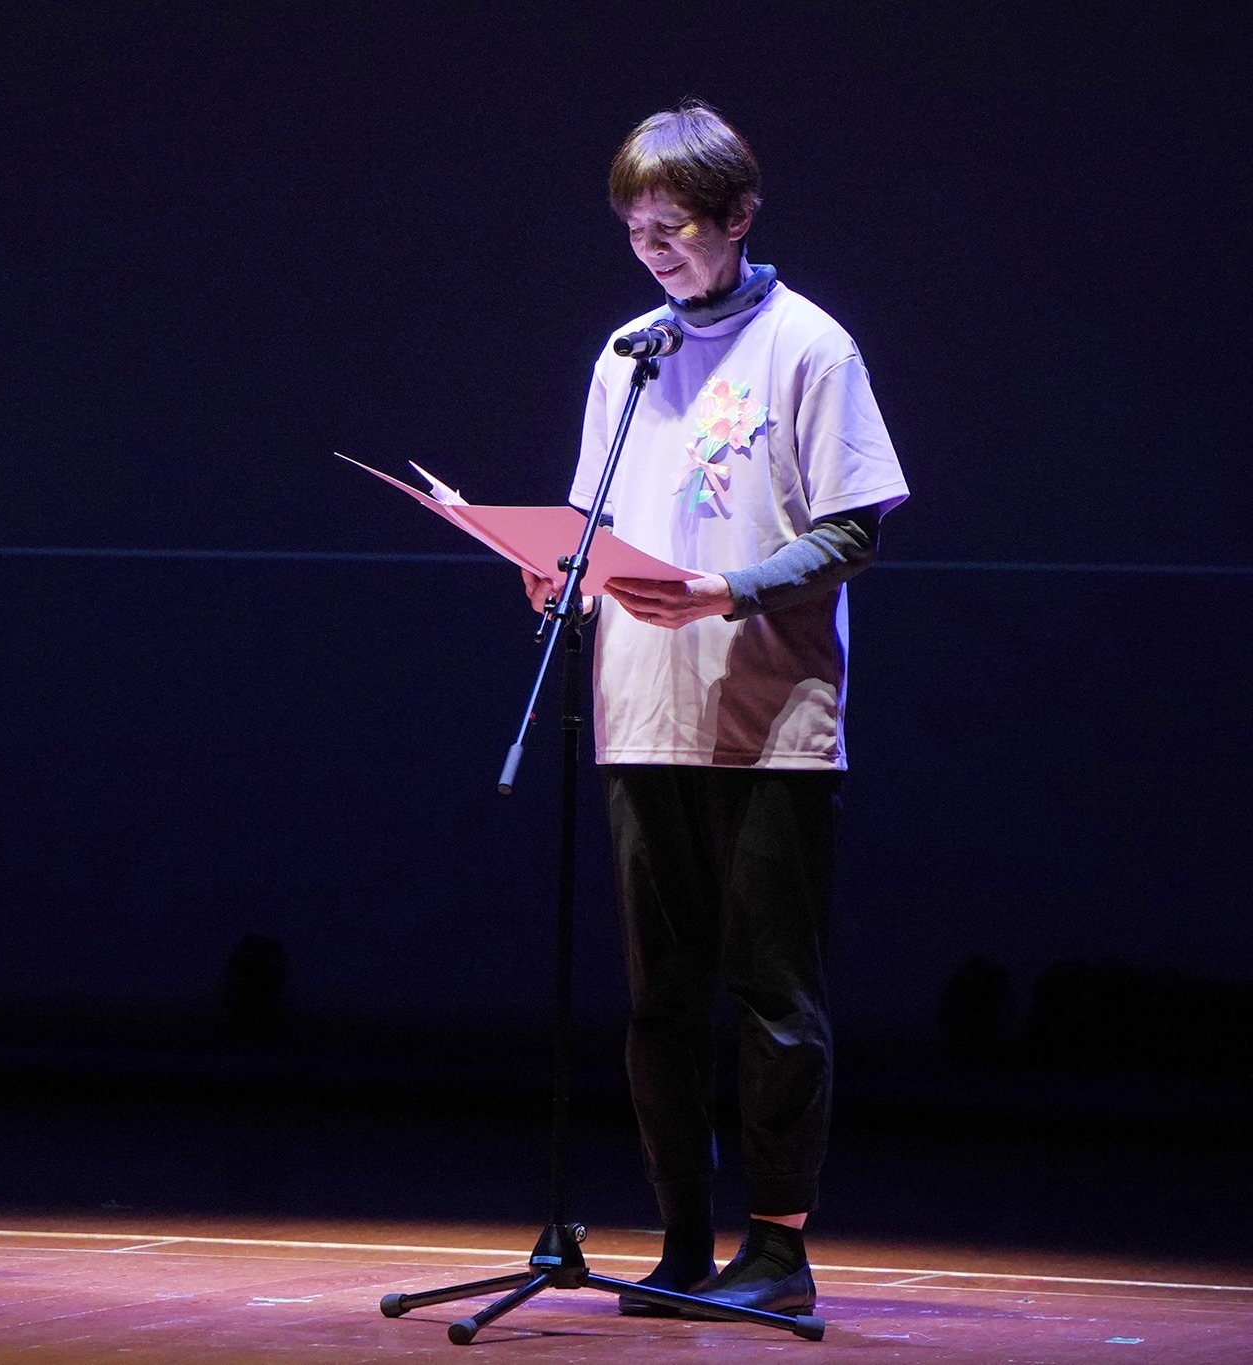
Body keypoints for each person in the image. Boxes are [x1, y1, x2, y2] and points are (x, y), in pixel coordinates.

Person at [527, 104, 909, 1317]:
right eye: (632, 228)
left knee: (768, 992)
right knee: (659, 994)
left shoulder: (810, 347)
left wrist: (730, 589)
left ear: (737, 218)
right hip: (639, 707)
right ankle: (681, 1236)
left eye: (672, 226)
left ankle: (779, 1252)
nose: (649, 248)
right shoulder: (626, 352)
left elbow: (853, 526)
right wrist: (550, 570)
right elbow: (596, 522)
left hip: (768, 717)